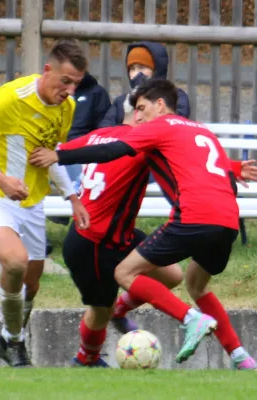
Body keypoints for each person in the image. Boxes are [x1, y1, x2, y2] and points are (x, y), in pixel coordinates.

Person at [29, 78, 257, 370]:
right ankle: (242, 358)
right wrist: (235, 168)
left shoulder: (141, 135)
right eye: (136, 110)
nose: (140, 116)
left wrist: (56, 154)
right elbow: (204, 164)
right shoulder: (201, 130)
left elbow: (108, 150)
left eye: (143, 109)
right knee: (187, 282)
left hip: (115, 233)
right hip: (224, 222)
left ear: (159, 105)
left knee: (123, 284)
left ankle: (184, 320)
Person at [0, 39, 90, 368]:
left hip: (32, 203)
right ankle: (15, 344)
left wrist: (71, 196)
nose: (69, 90)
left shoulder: (66, 108)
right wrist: (0, 178)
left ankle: (8, 339)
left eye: (76, 84)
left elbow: (49, 155)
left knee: (31, 282)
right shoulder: (11, 96)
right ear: (47, 70)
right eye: (65, 81)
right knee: (15, 262)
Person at [61, 97, 183, 367]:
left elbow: (62, 152)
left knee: (172, 275)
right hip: (92, 242)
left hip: (122, 235)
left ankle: (120, 309)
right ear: (138, 115)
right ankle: (86, 360)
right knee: (99, 311)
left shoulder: (99, 135)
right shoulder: (140, 144)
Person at [46, 70, 111, 231]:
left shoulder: (96, 93)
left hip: (82, 152)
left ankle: (82, 226)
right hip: (52, 148)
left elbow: (104, 129)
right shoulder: (53, 93)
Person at [98, 41, 190, 127]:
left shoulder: (175, 96)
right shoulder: (121, 101)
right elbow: (104, 131)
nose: (136, 74)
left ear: (156, 70)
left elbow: (176, 123)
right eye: (132, 69)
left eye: (142, 68)